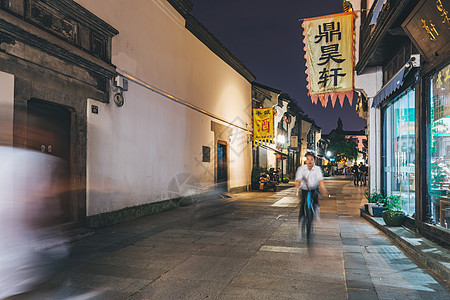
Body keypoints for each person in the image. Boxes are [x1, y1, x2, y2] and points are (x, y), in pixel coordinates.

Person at [295, 152, 329, 223]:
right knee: (303, 203)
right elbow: (298, 180)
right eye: (308, 159)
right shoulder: (301, 168)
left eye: (311, 159)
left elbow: (320, 180)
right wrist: (297, 189)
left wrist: (323, 189)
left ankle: (316, 213)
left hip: (314, 188)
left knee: (315, 201)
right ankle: (301, 218)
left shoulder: (317, 169)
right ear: (305, 161)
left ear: (314, 161)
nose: (309, 161)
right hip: (304, 189)